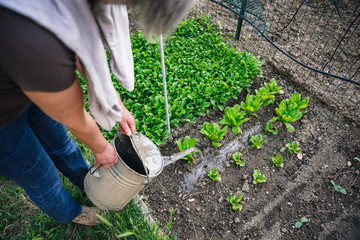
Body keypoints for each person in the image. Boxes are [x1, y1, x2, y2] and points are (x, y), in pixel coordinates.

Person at [0, 0, 194, 226]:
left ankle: (86, 181)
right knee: (40, 175)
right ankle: (70, 213)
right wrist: (101, 149)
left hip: (19, 83)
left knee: (61, 144)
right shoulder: (37, 41)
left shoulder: (67, 9)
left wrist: (116, 105)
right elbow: (75, 119)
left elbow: (79, 53)